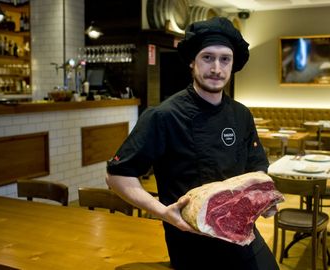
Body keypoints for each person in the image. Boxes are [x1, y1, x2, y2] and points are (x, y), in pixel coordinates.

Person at [106, 16, 279, 270]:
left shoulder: (242, 115)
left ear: (232, 65)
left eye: (225, 59)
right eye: (207, 57)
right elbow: (117, 176)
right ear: (192, 62)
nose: (216, 68)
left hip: (241, 234)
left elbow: (257, 170)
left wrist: (263, 201)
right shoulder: (164, 116)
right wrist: (163, 212)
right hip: (192, 243)